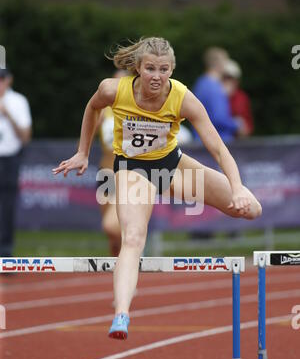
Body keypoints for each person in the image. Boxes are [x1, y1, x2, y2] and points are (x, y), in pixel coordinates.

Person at [53, 37, 262, 340]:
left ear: (172, 70)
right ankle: (121, 313)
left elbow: (217, 147)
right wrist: (83, 151)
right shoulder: (114, 89)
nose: (156, 76)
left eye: (163, 69)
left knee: (252, 209)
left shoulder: (183, 98)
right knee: (133, 238)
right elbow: (92, 107)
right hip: (133, 171)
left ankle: (240, 196)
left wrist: (238, 187)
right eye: (150, 68)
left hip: (173, 167)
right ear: (137, 68)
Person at [95, 69, 128, 257]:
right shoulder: (103, 109)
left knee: (118, 225)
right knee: (111, 233)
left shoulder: (137, 109)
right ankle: (117, 273)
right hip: (106, 173)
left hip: (128, 174)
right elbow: (88, 133)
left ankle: (129, 263)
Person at [0, 68, 32, 258]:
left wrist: (8, 114)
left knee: (7, 206)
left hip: (9, 159)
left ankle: (5, 254)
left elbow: (25, 136)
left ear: (9, 80)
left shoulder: (18, 101)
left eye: (2, 79)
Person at [192, 47, 242, 143]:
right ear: (220, 64)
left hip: (200, 141)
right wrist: (237, 124)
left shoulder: (200, 83)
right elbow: (219, 118)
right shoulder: (215, 87)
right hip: (216, 142)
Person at [222, 59, 254, 137]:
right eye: (226, 78)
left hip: (238, 140)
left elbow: (248, 124)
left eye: (231, 78)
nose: (228, 81)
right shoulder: (216, 95)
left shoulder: (242, 97)